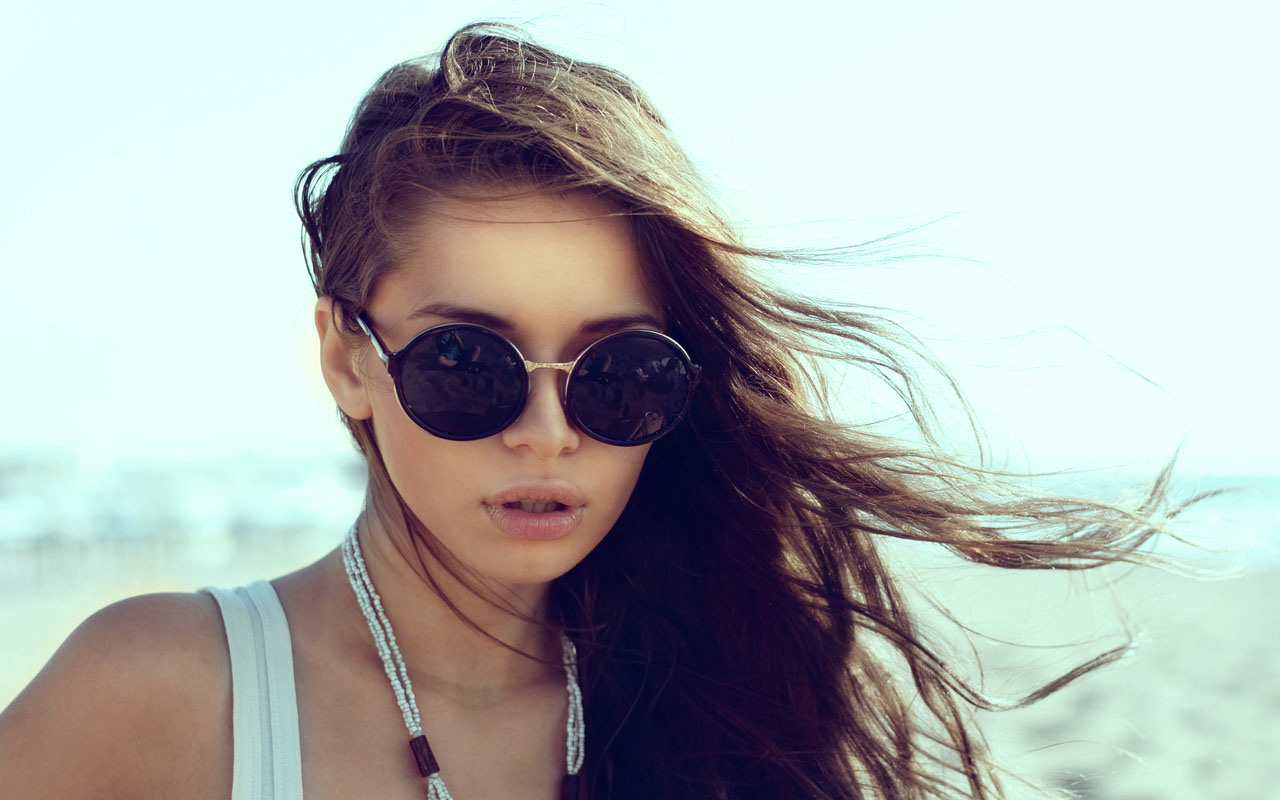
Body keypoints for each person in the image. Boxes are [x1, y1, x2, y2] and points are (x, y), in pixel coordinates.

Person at [0, 22, 1189, 800]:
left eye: (620, 373)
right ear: (346, 357)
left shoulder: (742, 705)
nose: (549, 431)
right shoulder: (162, 686)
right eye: (469, 363)